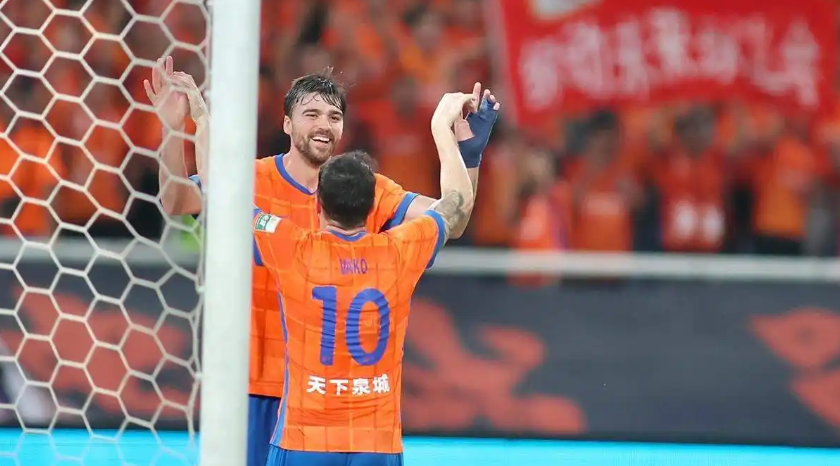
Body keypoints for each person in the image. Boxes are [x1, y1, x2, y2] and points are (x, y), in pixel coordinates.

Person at [143, 57, 499, 466]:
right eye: (311, 113)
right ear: (287, 123)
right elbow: (176, 200)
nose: (323, 124)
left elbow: (453, 221)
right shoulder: (251, 179)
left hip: (327, 399)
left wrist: (469, 156)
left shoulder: (364, 190)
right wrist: (172, 128)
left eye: (334, 116)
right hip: (255, 386)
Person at [253, 91, 477, 466]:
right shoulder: (399, 251)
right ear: (373, 205)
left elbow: (226, 201)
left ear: (318, 205)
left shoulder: (293, 248)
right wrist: (443, 130)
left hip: (305, 438)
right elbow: (456, 206)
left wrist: (201, 122)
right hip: (377, 442)